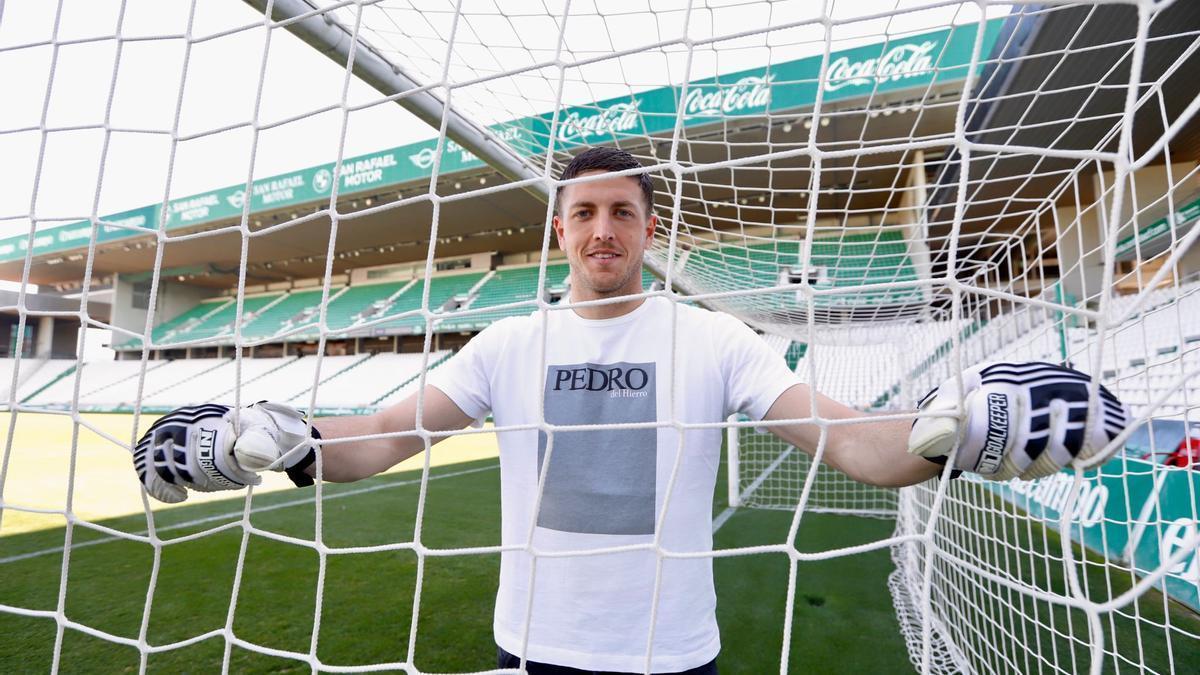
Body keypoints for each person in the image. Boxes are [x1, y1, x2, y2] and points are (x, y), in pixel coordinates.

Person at [132, 147, 1129, 674]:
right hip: (532, 647)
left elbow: (859, 448)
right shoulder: (508, 344)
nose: (603, 229)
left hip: (669, 658)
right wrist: (272, 439)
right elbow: (381, 440)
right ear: (559, 228)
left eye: (623, 212)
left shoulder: (713, 338)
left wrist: (949, 432)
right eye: (585, 212)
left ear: (650, 230)